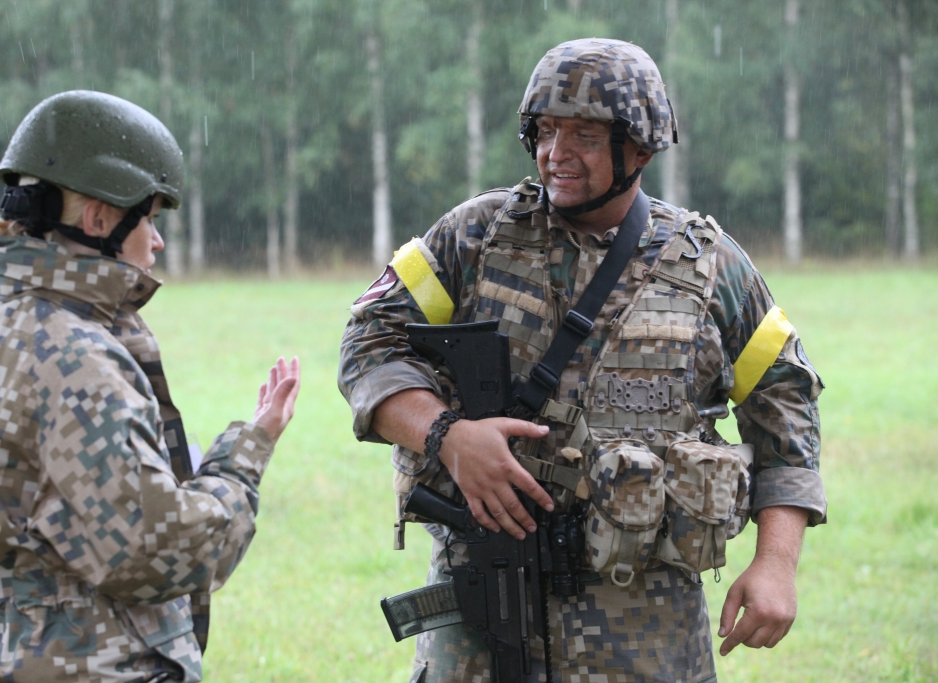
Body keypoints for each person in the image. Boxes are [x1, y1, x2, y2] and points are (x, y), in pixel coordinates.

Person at [339, 39, 826, 682]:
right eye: (545, 130)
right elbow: (370, 339)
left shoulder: (709, 266)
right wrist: (447, 437)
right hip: (485, 597)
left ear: (641, 148)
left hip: (645, 625)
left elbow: (785, 397)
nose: (555, 153)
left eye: (585, 137)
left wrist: (776, 564)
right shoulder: (474, 236)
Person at [0, 90, 300, 682]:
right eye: (147, 218)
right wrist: (244, 456)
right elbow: (158, 554)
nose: (157, 240)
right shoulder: (77, 358)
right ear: (98, 218)